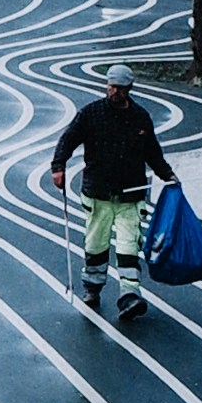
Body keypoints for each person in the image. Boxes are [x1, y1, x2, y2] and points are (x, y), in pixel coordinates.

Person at [47, 63, 176, 328]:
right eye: (111, 86)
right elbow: (69, 138)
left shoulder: (141, 118)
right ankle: (92, 287)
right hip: (98, 192)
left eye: (119, 88)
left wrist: (167, 175)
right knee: (96, 242)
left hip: (131, 193)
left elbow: (152, 152)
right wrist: (58, 167)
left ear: (129, 89)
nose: (113, 91)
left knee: (130, 244)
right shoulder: (91, 114)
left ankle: (129, 295)